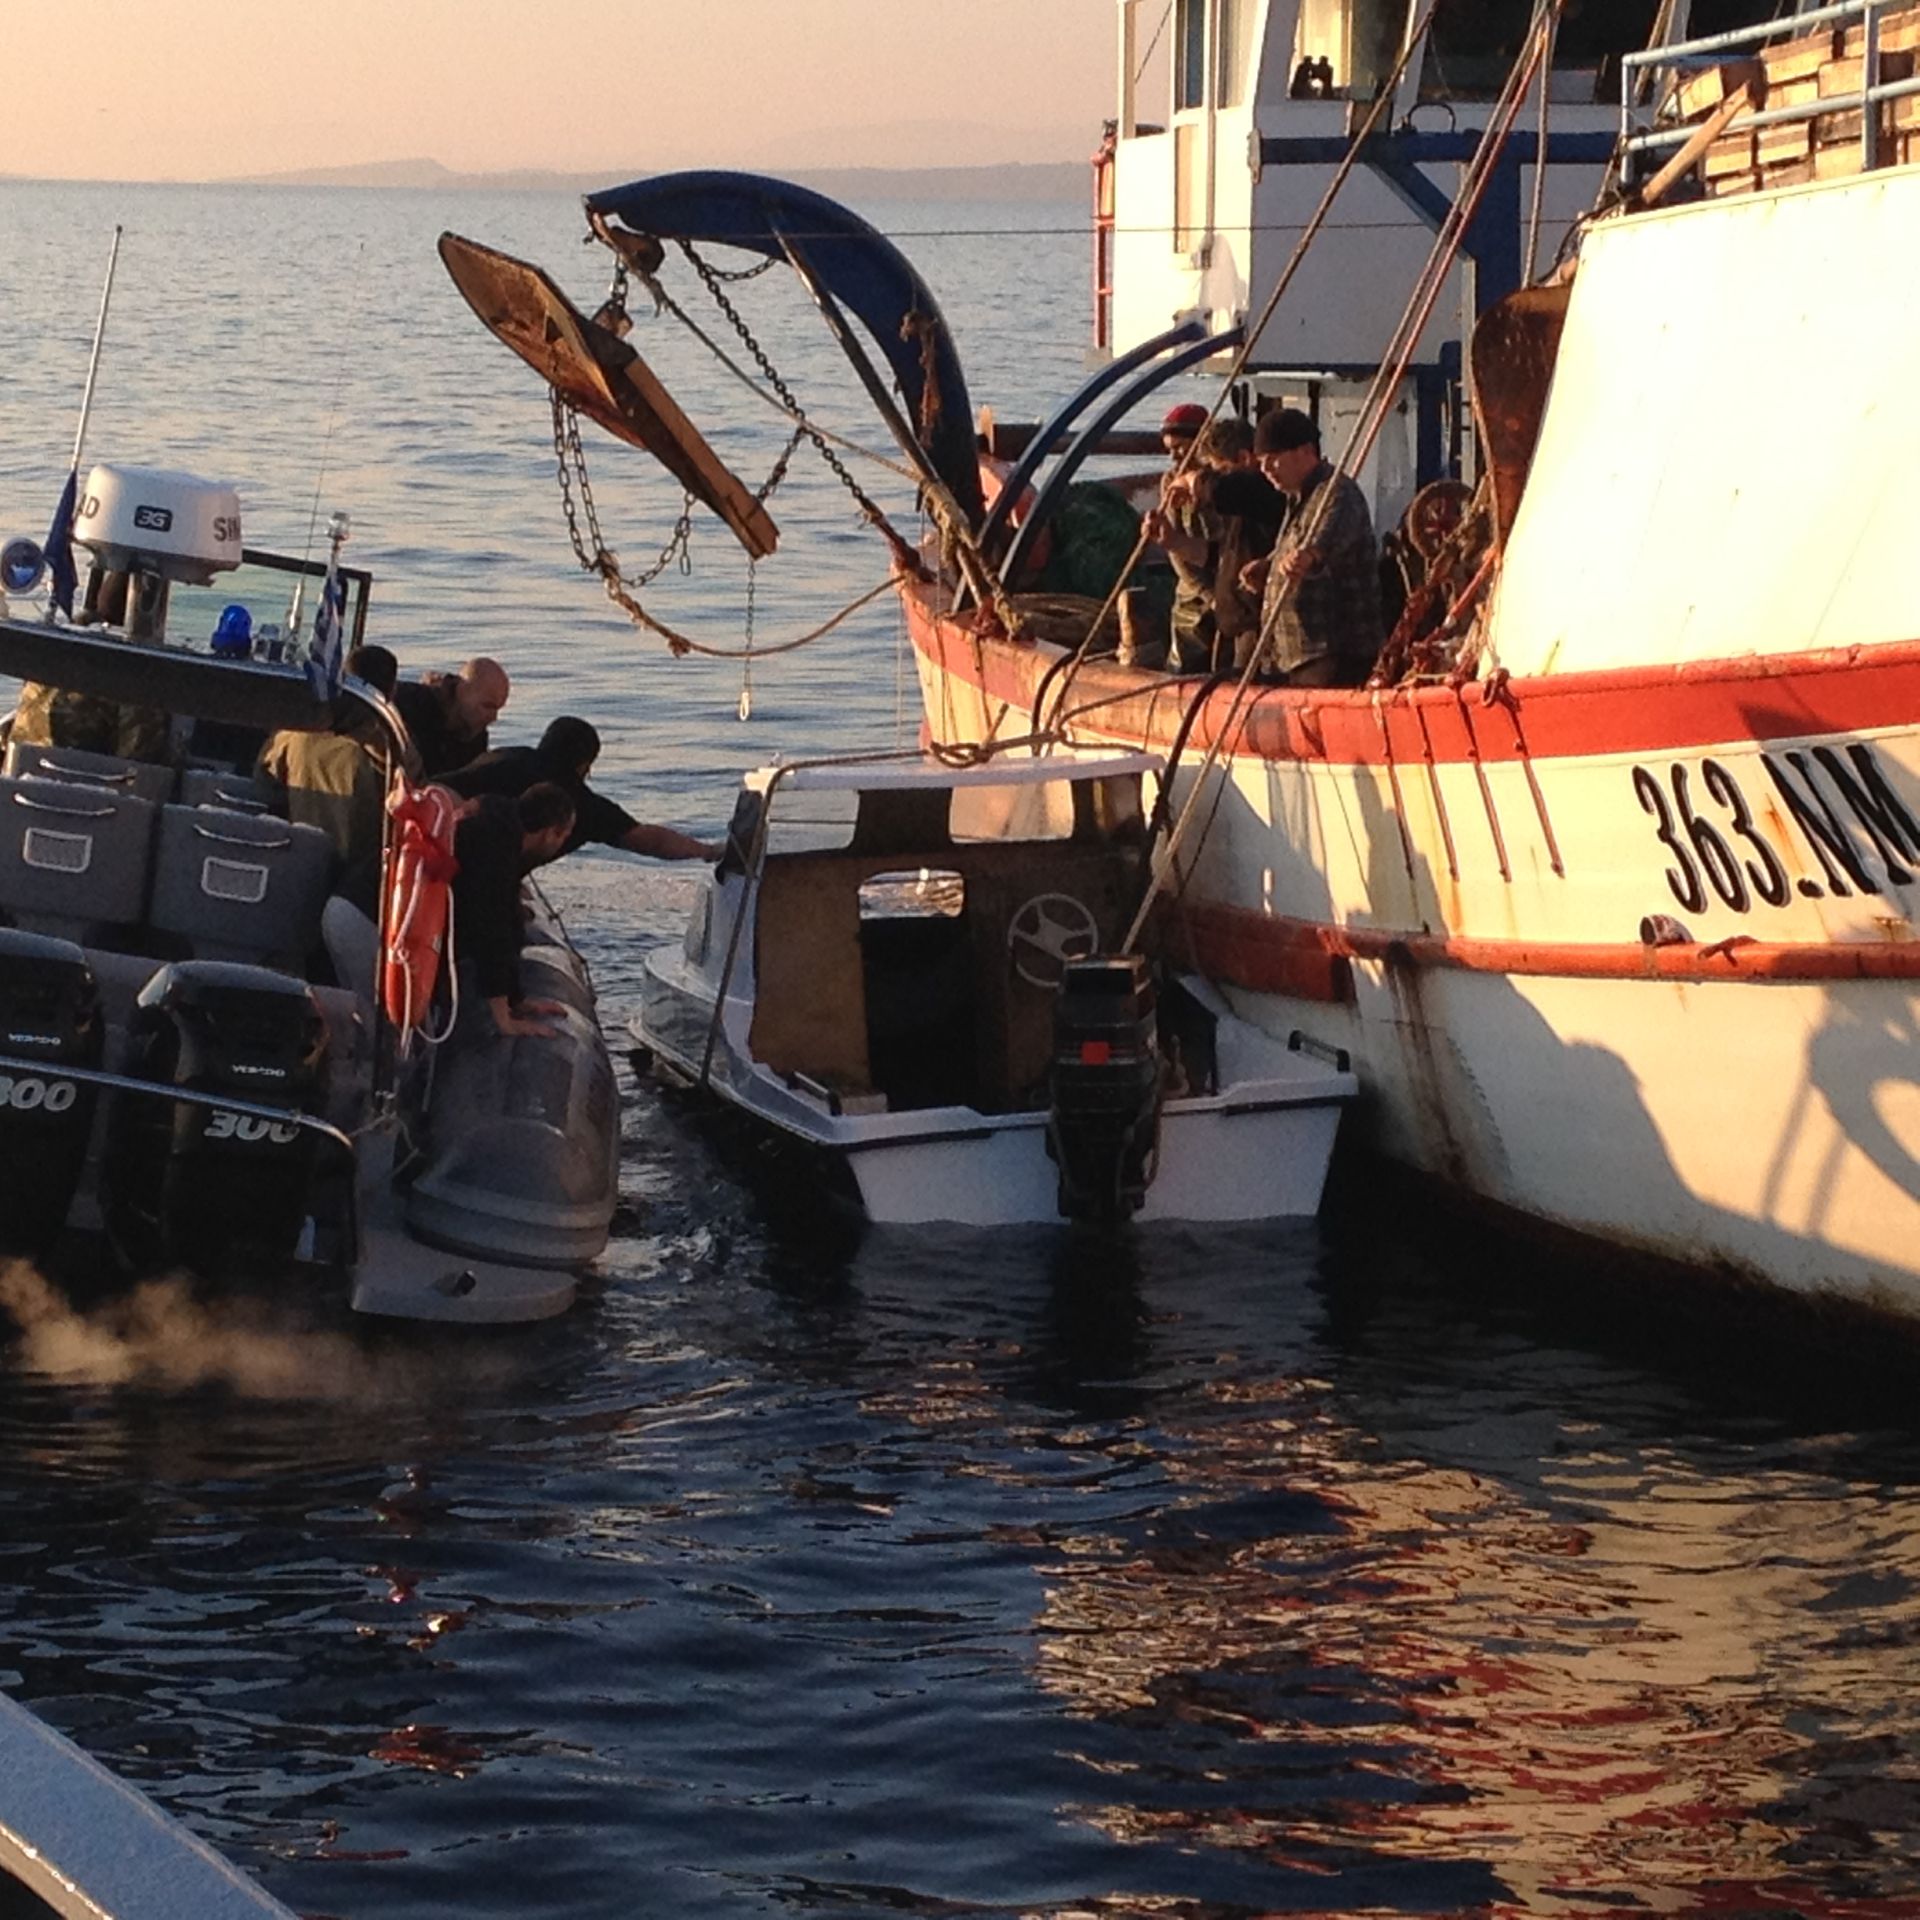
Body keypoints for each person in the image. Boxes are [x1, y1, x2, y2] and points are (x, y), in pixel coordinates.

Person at [441, 716, 720, 863]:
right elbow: (648, 840)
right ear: (584, 766)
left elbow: (439, 786)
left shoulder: (504, 757)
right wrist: (707, 851)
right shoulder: (581, 803)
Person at [1238, 407, 1384, 687]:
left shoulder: (1338, 493)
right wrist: (1270, 566)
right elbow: (1299, 540)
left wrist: (1306, 558)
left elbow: (1324, 542)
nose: (1265, 470)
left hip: (1330, 657)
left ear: (1305, 451)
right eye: (1262, 462)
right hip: (1294, 656)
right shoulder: (1298, 497)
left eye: (1273, 459)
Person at [452, 781, 577, 1038]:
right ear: (550, 833)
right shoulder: (494, 851)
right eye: (564, 836)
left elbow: (509, 919)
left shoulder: (499, 818)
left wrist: (516, 999)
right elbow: (491, 931)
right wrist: (503, 1020)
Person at [1142, 402, 1219, 670]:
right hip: (1192, 594)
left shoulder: (1223, 480)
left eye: (1180, 448)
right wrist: (1209, 594)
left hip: (1230, 589)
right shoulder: (1171, 481)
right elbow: (1174, 549)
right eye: (1170, 449)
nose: (1174, 456)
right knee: (1185, 664)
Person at [391, 657, 509, 778]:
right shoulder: (406, 703)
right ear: (462, 690)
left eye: (498, 708)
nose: (493, 717)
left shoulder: (474, 734)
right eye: (488, 706)